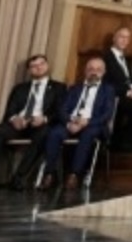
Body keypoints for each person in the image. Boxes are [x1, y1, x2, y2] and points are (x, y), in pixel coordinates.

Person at [0, 54, 66, 191]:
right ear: (29, 70)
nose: (38, 68)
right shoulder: (20, 88)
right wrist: (14, 118)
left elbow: (59, 111)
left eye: (41, 64)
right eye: (34, 66)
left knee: (44, 134)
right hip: (20, 124)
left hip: (40, 124)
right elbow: (10, 110)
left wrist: (44, 119)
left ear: (47, 66)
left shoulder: (59, 88)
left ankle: (19, 177)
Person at [39, 57, 115, 190]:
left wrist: (86, 122)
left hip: (93, 124)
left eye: (98, 70)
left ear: (103, 72)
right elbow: (62, 109)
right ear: (85, 71)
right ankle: (49, 174)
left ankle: (74, 175)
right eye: (91, 69)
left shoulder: (107, 90)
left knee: (87, 135)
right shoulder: (75, 88)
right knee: (54, 133)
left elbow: (106, 114)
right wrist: (69, 122)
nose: (94, 72)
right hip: (71, 122)